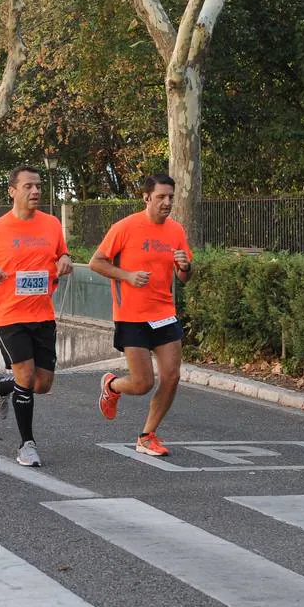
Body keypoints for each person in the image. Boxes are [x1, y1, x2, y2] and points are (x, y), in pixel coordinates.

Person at [0, 166, 73, 467]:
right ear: (12, 191)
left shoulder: (52, 224)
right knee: (26, 377)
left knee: (43, 384)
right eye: (28, 186)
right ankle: (27, 444)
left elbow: (62, 255)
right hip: (10, 316)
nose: (36, 191)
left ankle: (1, 385)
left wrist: (65, 260)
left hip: (43, 314)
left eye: (38, 186)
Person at [89, 173, 194, 456]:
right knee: (142, 383)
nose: (167, 202)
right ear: (146, 198)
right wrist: (127, 275)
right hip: (131, 315)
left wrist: (183, 267)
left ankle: (147, 435)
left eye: (171, 197)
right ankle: (111, 385)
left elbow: (184, 278)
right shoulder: (125, 227)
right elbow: (96, 262)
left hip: (164, 313)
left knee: (171, 376)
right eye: (161, 197)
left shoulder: (176, 231)